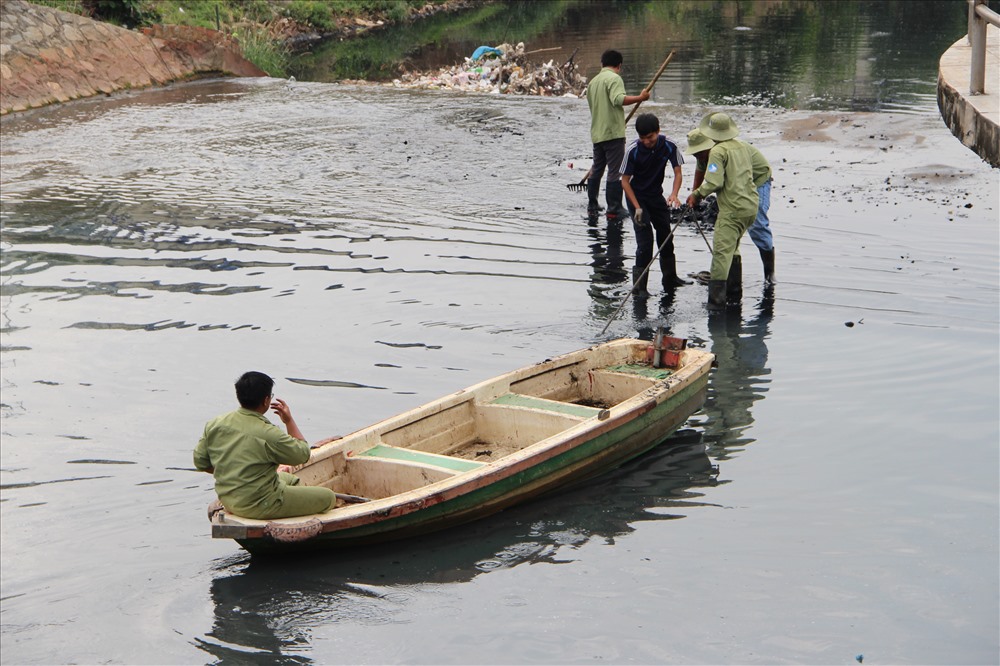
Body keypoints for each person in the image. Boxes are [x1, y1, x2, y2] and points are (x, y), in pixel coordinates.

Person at [194, 371, 336, 519]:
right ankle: (287, 510)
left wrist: (230, 471)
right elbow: (302, 454)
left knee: (290, 478)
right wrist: (289, 421)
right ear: (266, 400)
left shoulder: (215, 424)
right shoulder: (269, 434)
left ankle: (292, 506)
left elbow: (200, 462)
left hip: (229, 500)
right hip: (261, 504)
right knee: (328, 497)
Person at [685, 113, 760, 309]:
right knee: (733, 248)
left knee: (720, 253)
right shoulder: (742, 147)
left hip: (732, 210)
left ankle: (716, 303)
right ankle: (735, 295)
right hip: (750, 207)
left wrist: (696, 195)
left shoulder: (718, 151)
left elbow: (714, 182)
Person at [686, 127, 775, 284]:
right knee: (731, 233)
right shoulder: (705, 154)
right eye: (695, 155)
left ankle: (769, 274)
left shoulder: (720, 151)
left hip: (757, 179)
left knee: (756, 223)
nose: (699, 157)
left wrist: (699, 194)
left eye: (700, 154)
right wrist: (695, 195)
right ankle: (733, 283)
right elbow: (701, 171)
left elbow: (715, 182)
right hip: (736, 182)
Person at [620, 113, 690, 295]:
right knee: (645, 243)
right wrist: (636, 207)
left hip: (655, 196)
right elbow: (625, 181)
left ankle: (670, 278)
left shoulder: (669, 145)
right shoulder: (633, 150)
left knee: (665, 236)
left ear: (658, 132)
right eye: (643, 138)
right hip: (636, 197)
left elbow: (678, 172)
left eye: (650, 137)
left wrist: (674, 194)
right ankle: (639, 288)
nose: (647, 142)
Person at [586, 49, 650, 220]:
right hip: (613, 133)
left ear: (602, 63)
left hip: (597, 133)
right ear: (619, 65)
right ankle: (614, 209)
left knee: (597, 168)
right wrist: (640, 97)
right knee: (615, 171)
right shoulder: (614, 78)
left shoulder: (593, 82)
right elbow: (618, 99)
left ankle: (592, 205)